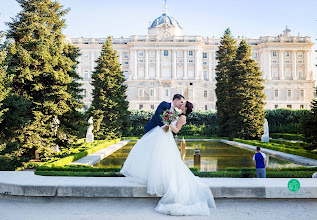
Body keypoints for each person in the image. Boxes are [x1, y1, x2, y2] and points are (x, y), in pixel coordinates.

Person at [120, 100, 216, 216]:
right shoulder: (178, 114)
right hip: (165, 135)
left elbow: (176, 130)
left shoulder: (182, 118)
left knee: (167, 160)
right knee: (162, 158)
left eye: (183, 104)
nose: (181, 105)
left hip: (168, 135)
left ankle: (163, 183)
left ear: (185, 108)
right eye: (181, 103)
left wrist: (168, 123)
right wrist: (168, 121)